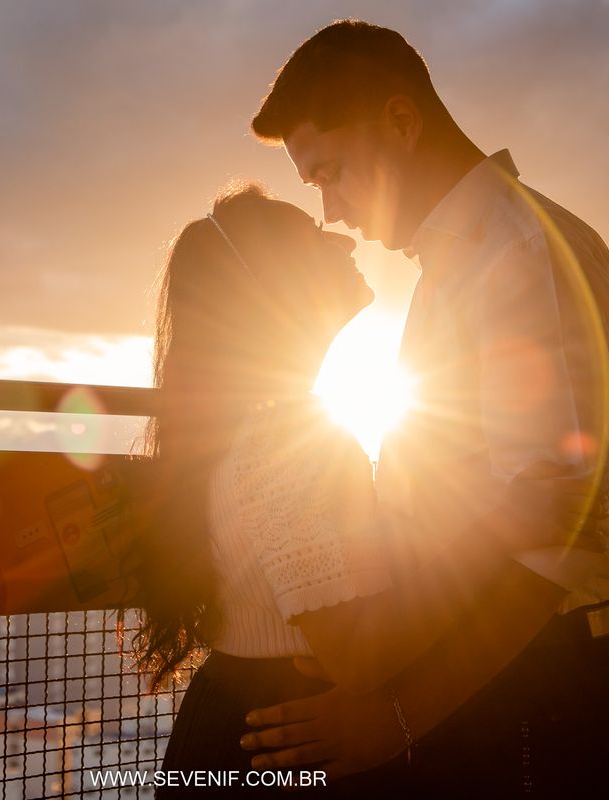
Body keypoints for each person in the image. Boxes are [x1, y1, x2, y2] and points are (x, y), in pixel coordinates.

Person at [239, 19, 609, 796]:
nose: (332, 209)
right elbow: (516, 507)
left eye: (331, 171)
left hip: (533, 683)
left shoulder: (515, 254)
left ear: (402, 122)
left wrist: (398, 716)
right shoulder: (469, 255)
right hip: (500, 673)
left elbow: (557, 548)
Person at [131, 184, 589, 797]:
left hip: (246, 730)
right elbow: (359, 656)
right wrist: (506, 524)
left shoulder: (247, 424)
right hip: (295, 744)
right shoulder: (286, 437)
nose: (342, 235)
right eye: (312, 237)